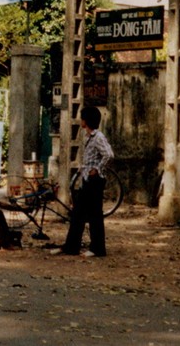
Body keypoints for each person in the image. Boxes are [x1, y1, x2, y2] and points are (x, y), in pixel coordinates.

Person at [52, 106, 114, 257]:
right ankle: (71, 247)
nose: (81, 121)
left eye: (82, 118)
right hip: (86, 179)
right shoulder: (87, 137)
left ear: (86, 120)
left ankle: (97, 249)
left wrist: (97, 169)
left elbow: (109, 155)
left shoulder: (98, 137)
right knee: (78, 214)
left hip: (95, 181)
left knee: (95, 215)